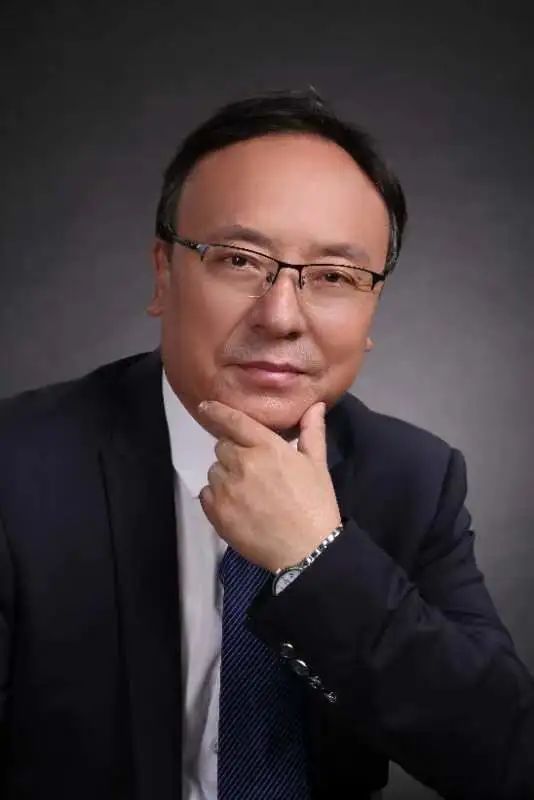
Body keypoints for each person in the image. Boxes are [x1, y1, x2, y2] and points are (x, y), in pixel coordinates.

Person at [0, 90, 532, 800]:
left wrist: (318, 558)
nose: (281, 316)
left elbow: (508, 759)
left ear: (372, 308)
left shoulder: (414, 478)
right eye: (239, 260)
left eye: (335, 276)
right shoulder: (16, 469)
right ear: (163, 274)